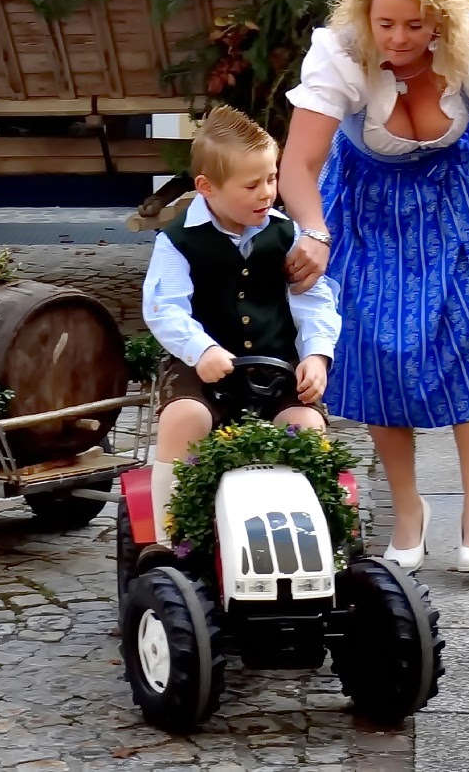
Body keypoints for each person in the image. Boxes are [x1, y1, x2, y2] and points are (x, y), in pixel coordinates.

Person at [279, 0, 469, 576]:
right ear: (366, 16)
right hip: (370, 205)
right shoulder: (342, 54)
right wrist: (313, 230)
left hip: (461, 198)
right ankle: (407, 509)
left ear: (441, 22)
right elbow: (299, 164)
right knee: (377, 345)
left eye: (416, 25)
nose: (398, 39)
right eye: (386, 23)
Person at [141, 106, 340, 550]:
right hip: (202, 370)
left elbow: (314, 301)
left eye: (272, 179)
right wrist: (201, 348)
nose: (266, 193)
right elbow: (164, 308)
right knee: (184, 418)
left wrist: (316, 356)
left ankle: (319, 538)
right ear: (206, 188)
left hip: (276, 367)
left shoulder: (286, 235)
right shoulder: (178, 241)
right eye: (251, 185)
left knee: (305, 424)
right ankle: (171, 539)